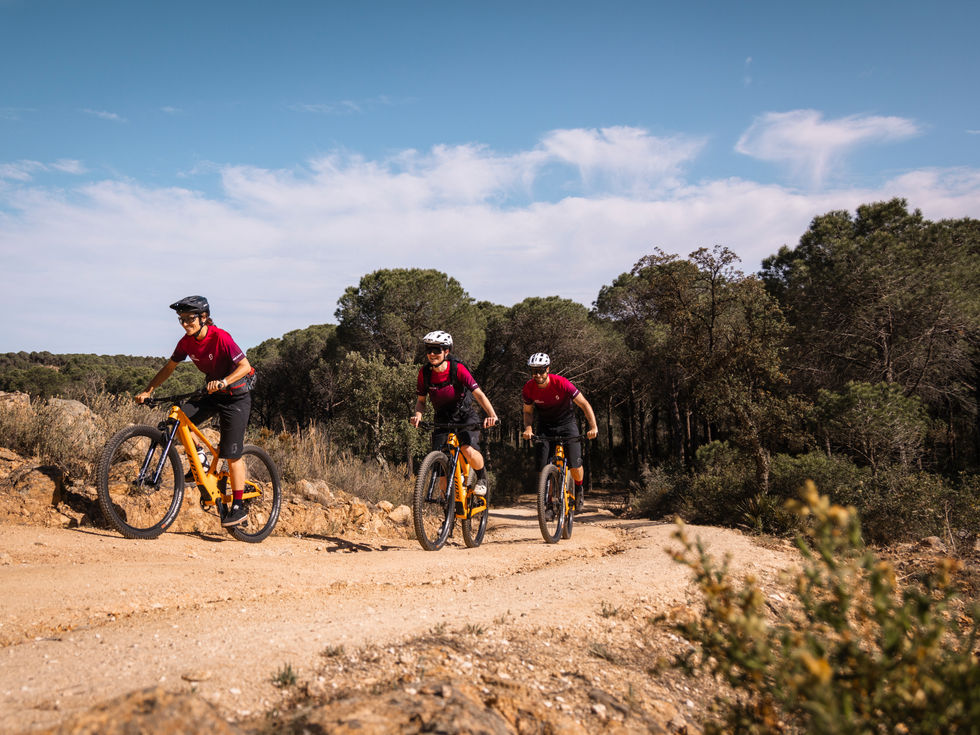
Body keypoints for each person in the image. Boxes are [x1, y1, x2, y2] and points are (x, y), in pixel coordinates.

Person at [136, 295, 255, 527]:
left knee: (231, 455)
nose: (184, 324)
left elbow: (245, 367)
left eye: (189, 319)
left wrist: (224, 381)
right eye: (181, 319)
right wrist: (148, 389)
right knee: (178, 419)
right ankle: (199, 457)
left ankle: (238, 507)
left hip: (235, 397)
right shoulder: (185, 342)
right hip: (212, 393)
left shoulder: (220, 337)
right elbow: (169, 367)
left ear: (203, 318)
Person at [409, 330, 498, 496]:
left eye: (437, 350)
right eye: (429, 350)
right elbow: (421, 401)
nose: (432, 354)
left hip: (464, 415)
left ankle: (481, 477)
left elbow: (479, 394)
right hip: (442, 417)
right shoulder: (425, 373)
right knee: (440, 467)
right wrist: (418, 416)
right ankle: (448, 510)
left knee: (467, 450)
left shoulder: (457, 369)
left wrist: (492, 415)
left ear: (446, 351)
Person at [521, 353, 598, 511]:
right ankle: (549, 504)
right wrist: (528, 428)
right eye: (534, 371)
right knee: (544, 468)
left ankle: (579, 488)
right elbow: (528, 412)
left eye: (541, 370)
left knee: (575, 464)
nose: (538, 375)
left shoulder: (561, 383)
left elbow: (584, 404)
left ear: (547, 369)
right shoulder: (529, 388)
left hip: (567, 424)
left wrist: (593, 427)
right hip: (545, 426)